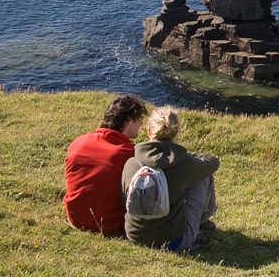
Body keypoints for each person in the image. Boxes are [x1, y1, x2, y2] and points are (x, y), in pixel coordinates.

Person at [122, 105, 219, 251]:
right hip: (173, 242)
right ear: (175, 132)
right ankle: (201, 223)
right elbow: (213, 162)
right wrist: (187, 156)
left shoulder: (131, 162)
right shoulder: (183, 164)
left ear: (149, 131)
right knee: (203, 175)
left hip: (135, 236)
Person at [63, 94, 149, 235]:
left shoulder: (79, 142)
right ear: (128, 121)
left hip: (75, 218)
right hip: (109, 224)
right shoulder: (129, 154)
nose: (140, 124)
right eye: (138, 119)